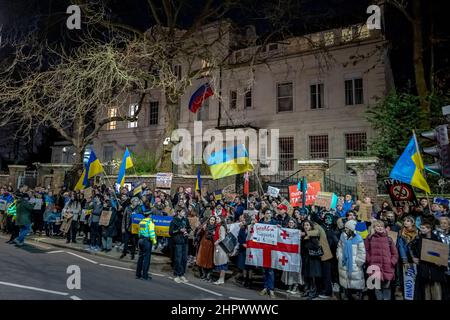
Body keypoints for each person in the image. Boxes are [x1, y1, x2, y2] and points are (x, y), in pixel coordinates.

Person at [409, 221, 447, 300]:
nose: (421, 229)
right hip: (424, 267)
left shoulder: (437, 238)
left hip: (435, 268)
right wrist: (413, 257)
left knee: (436, 288)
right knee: (426, 289)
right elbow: (410, 247)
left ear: (429, 229)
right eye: (421, 228)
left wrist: (441, 261)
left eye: (423, 228)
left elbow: (443, 252)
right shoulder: (418, 238)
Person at [364, 220, 399, 300]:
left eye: (381, 226)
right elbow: (366, 250)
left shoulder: (389, 239)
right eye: (377, 226)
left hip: (387, 266)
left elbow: (395, 253)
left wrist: (392, 262)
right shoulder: (369, 238)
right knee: (377, 287)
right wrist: (369, 260)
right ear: (374, 228)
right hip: (375, 266)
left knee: (387, 287)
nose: (380, 228)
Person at [336, 219, 366, 300]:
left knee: (356, 281)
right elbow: (339, 247)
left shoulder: (358, 238)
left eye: (347, 228)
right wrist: (339, 256)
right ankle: (346, 294)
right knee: (345, 281)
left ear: (351, 229)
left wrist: (359, 261)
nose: (345, 229)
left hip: (354, 264)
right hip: (344, 263)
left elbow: (362, 251)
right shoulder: (342, 237)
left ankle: (358, 294)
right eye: (345, 228)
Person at [281, 218, 303, 294]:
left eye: (292, 222)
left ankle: (296, 286)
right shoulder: (285, 231)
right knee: (288, 270)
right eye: (289, 222)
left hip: (295, 254)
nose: (290, 224)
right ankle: (289, 285)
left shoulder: (297, 231)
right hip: (287, 254)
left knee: (295, 270)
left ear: (294, 223)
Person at [258, 209, 277, 298]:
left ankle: (271, 289)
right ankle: (265, 288)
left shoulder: (274, 223)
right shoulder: (260, 223)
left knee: (271, 271)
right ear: (264, 214)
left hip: (271, 250)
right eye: (267, 213)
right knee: (264, 270)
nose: (268, 214)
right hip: (262, 249)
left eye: (270, 213)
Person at [169, 208, 191, 283]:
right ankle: (177, 275)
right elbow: (171, 232)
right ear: (178, 212)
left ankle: (182, 274)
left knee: (184, 259)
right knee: (178, 259)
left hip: (185, 241)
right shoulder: (174, 220)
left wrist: (187, 232)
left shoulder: (186, 220)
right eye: (182, 212)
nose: (184, 213)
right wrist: (179, 230)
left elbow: (189, 228)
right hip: (178, 242)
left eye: (184, 212)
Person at [136, 210, 157, 280]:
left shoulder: (141, 222)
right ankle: (145, 276)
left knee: (140, 258)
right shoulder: (150, 223)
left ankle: (138, 274)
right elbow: (152, 233)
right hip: (147, 241)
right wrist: (154, 241)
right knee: (146, 259)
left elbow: (139, 232)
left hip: (140, 240)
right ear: (149, 215)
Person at [433, 216, 450, 300]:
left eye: (445, 223)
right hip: (439, 264)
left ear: (449, 225)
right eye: (441, 223)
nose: (443, 225)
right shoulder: (435, 233)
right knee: (443, 288)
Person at [196, 216, 216, 282]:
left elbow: (216, 237)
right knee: (202, 259)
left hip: (210, 245)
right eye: (211, 219)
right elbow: (199, 234)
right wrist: (202, 229)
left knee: (209, 260)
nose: (212, 221)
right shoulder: (205, 226)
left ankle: (208, 274)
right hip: (203, 244)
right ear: (209, 220)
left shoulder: (215, 228)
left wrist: (214, 234)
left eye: (213, 220)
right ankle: (204, 274)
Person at [213, 215, 228, 285]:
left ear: (221, 220)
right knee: (220, 263)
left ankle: (221, 279)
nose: (216, 220)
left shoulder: (221, 227)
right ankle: (221, 279)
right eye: (216, 219)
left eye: (218, 218)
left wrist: (216, 242)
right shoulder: (218, 227)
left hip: (221, 248)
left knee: (222, 264)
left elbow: (222, 237)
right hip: (218, 247)